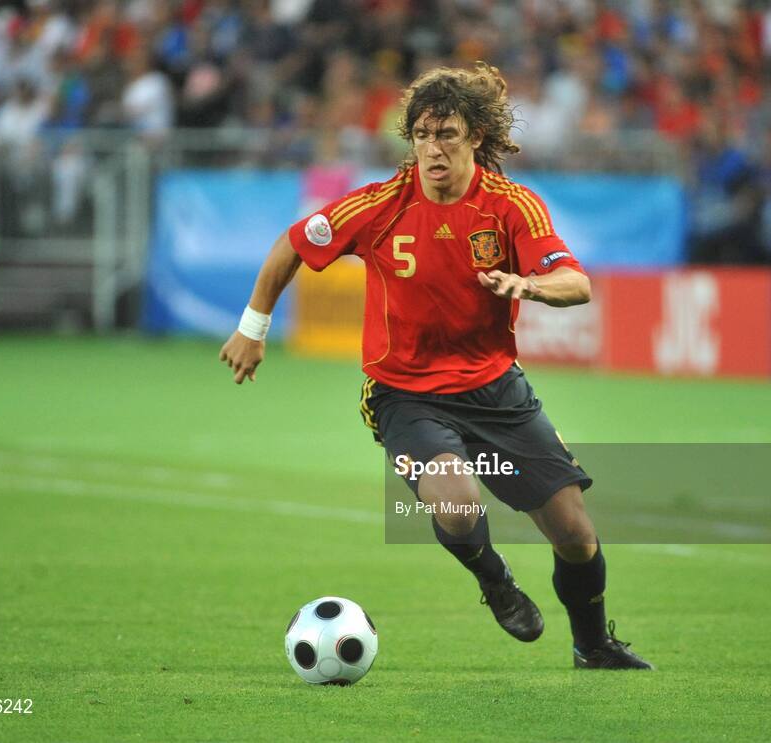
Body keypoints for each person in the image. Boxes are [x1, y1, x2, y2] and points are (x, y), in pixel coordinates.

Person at [219, 62, 652, 670]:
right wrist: (253, 328)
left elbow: (575, 283)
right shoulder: (380, 204)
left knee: (576, 536)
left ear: (476, 136)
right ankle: (496, 580)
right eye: (422, 135)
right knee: (454, 501)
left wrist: (526, 286)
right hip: (406, 395)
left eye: (447, 134)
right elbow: (294, 243)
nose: (432, 148)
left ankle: (593, 644)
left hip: (495, 390)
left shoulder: (510, 206)